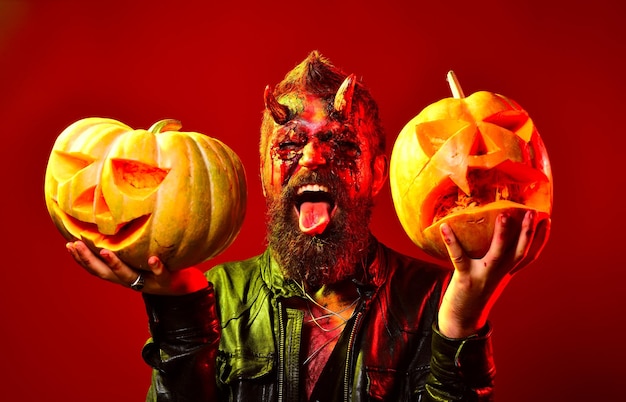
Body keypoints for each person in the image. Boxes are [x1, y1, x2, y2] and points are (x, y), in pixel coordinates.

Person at [66, 51, 550, 401]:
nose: (314, 159)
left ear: (378, 174)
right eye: (289, 145)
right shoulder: (215, 296)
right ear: (263, 173)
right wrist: (179, 319)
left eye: (341, 147)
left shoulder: (436, 299)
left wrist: (462, 322)